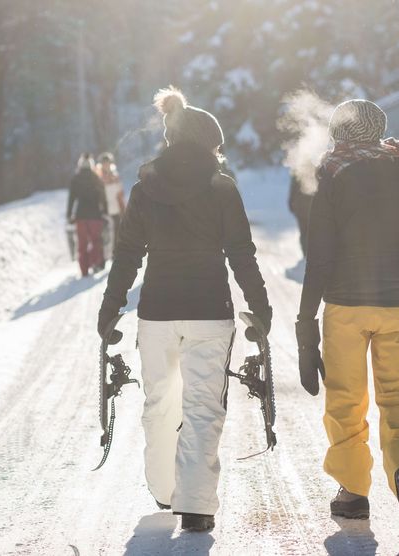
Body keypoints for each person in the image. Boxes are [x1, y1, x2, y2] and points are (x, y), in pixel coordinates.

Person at [98, 87, 271, 532]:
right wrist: (261, 306)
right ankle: (195, 505)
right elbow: (242, 253)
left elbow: (128, 254)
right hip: (210, 311)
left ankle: (163, 489)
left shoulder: (144, 187)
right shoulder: (222, 188)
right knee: (202, 406)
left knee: (159, 402)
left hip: (156, 312)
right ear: (209, 144)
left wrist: (110, 307)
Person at [295, 99, 399, 526]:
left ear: (339, 132)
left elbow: (321, 256)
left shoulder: (333, 171)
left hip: (346, 306)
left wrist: (305, 321)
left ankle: (352, 493)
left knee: (346, 399)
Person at [66, 153, 108, 277]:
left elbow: (71, 199)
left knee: (82, 243)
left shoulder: (76, 179)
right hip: (95, 215)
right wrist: (104, 212)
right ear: (91, 164)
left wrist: (69, 214)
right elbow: (103, 197)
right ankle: (94, 263)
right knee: (96, 241)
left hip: (81, 216)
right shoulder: (96, 178)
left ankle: (84, 270)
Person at [95, 152, 125, 255]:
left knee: (117, 232)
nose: (106, 165)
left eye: (107, 163)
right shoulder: (98, 177)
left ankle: (115, 253)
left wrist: (123, 208)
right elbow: (97, 194)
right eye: (104, 163)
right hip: (104, 209)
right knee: (104, 234)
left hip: (116, 208)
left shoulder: (115, 176)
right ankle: (104, 256)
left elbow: (120, 193)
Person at [288, 173, 314, 257]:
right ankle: (310, 253)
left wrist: (291, 203)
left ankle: (305, 253)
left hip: (300, 208)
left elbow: (293, 189)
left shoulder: (298, 170)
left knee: (303, 232)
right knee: (311, 232)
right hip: (311, 208)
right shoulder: (314, 169)